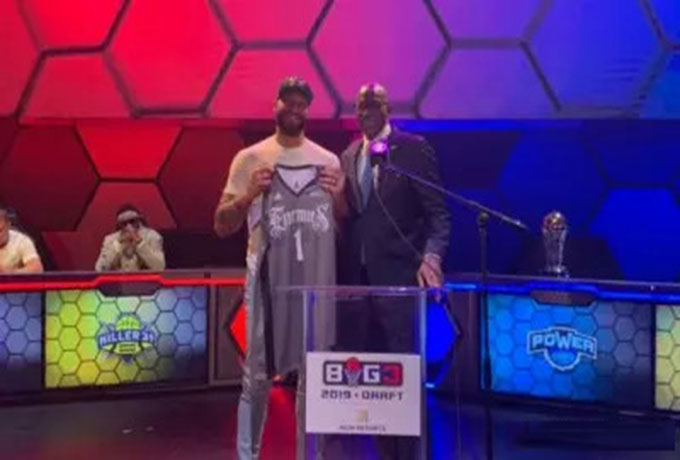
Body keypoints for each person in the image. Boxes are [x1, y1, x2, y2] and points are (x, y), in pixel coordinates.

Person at [214, 76, 345, 460]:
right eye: (288, 101)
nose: (294, 108)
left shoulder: (327, 162)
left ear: (308, 109)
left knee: (313, 377)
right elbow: (221, 225)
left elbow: (344, 222)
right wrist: (249, 194)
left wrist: (339, 196)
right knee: (256, 376)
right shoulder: (250, 159)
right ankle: (247, 455)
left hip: (314, 284)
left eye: (301, 102)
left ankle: (311, 455)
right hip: (266, 284)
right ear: (275, 105)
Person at [336, 83, 451, 459]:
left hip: (400, 283)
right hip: (359, 287)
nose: (366, 112)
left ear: (388, 109)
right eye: (360, 106)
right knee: (372, 383)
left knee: (405, 378)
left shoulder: (412, 149)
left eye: (374, 105)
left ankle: (415, 453)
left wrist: (431, 257)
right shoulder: (349, 154)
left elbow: (438, 214)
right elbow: (353, 218)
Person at [95, 204, 166, 272]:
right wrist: (118, 245)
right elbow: (100, 269)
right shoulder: (110, 240)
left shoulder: (152, 237)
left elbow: (159, 267)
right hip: (119, 280)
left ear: (139, 220)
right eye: (124, 223)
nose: (129, 226)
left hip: (145, 280)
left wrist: (140, 244)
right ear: (119, 225)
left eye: (132, 221)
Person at [0, 203, 44, 274]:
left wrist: (8, 273)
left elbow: (37, 269)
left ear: (8, 225)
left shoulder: (22, 241)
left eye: (0, 230)